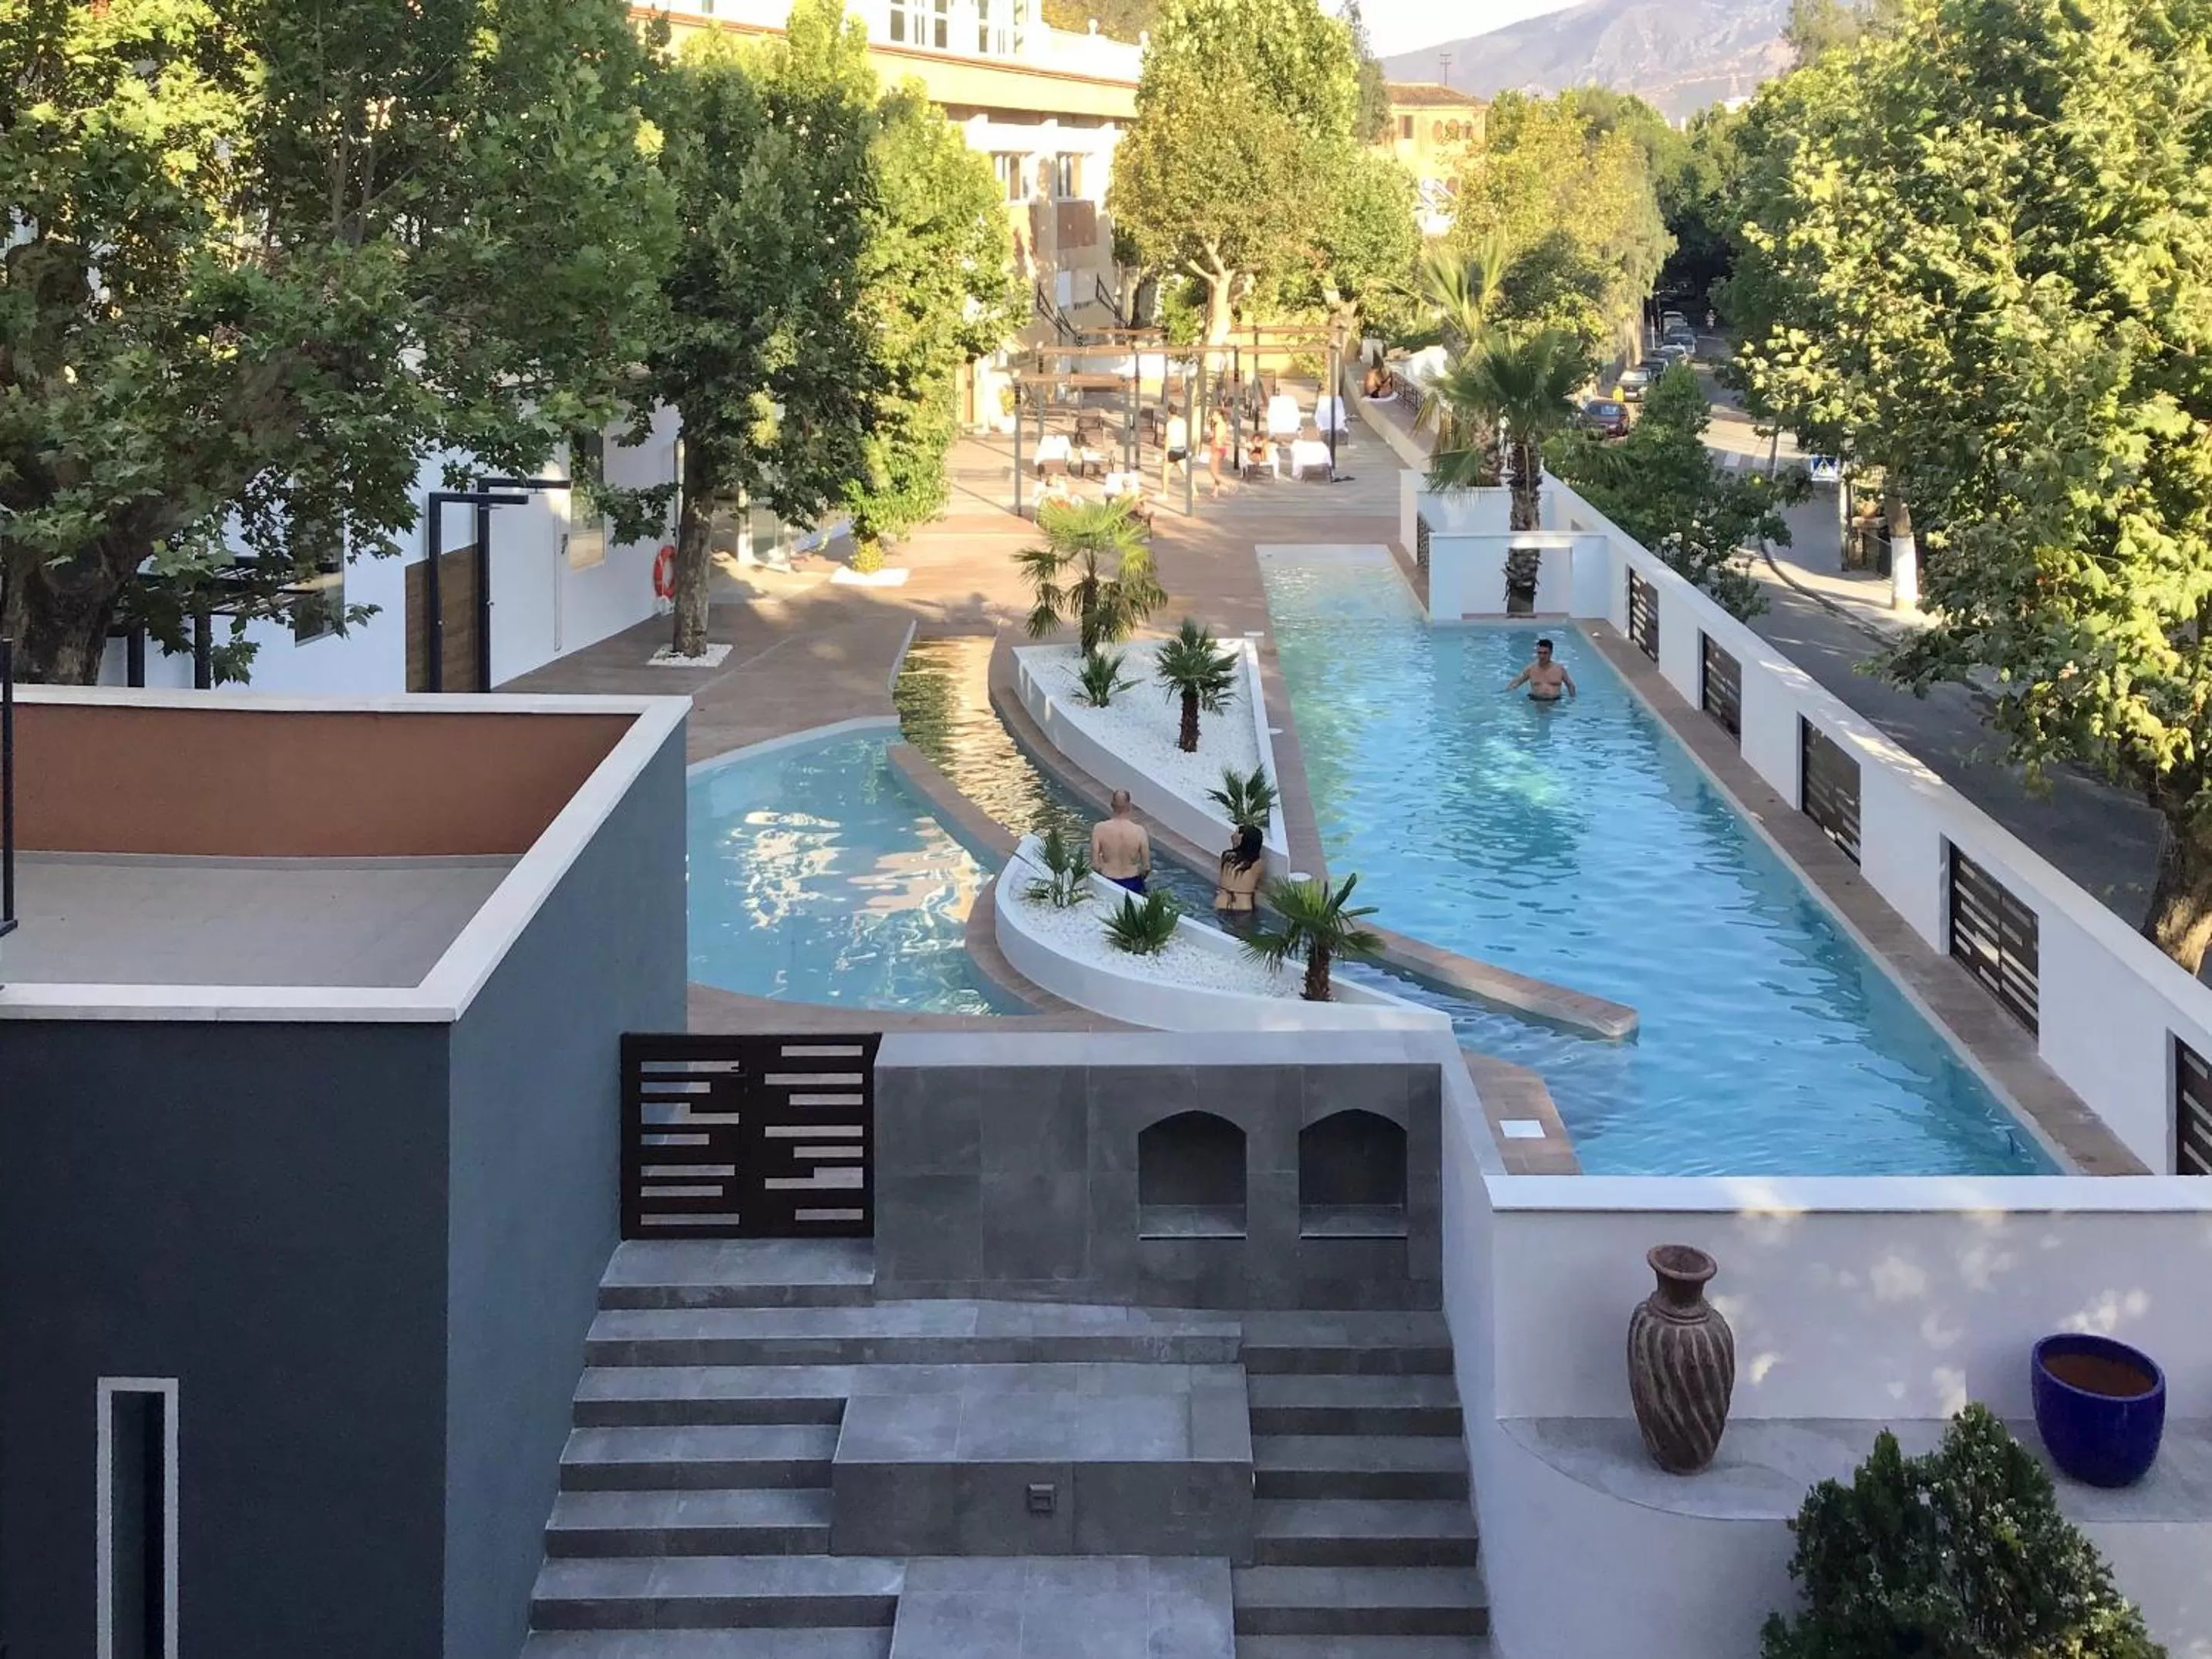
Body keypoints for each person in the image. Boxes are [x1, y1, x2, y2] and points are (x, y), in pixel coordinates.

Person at [1091, 789, 1152, 893]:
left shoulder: (1099, 829)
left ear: (1112, 805)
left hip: (1108, 881)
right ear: (1129, 806)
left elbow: (1095, 865)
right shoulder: (1140, 831)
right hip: (1133, 882)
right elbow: (1146, 867)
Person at [1213, 824, 1265, 928]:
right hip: (1242, 905)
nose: (1233, 835)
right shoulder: (1258, 864)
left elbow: (1236, 852)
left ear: (1242, 839)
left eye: (1236, 833)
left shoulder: (1226, 856)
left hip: (1221, 903)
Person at [1506, 637, 1577, 702]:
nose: (1542, 656)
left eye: (1545, 653)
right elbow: (1516, 683)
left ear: (1551, 653)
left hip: (1555, 701)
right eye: (1539, 653)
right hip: (1535, 700)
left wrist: (1572, 700)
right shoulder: (1531, 669)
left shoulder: (1559, 669)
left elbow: (1570, 685)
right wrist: (1506, 695)